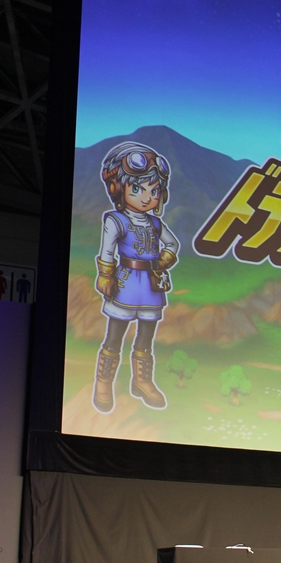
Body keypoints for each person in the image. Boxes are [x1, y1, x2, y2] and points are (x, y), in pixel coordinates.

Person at [93, 141, 179, 414]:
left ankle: (142, 381)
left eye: (154, 191)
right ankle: (103, 382)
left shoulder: (155, 222)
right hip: (126, 283)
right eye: (138, 189)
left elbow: (172, 244)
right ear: (118, 188)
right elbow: (107, 250)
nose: (146, 197)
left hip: (151, 285)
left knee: (146, 337)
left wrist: (162, 262)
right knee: (115, 335)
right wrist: (106, 275)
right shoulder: (114, 220)